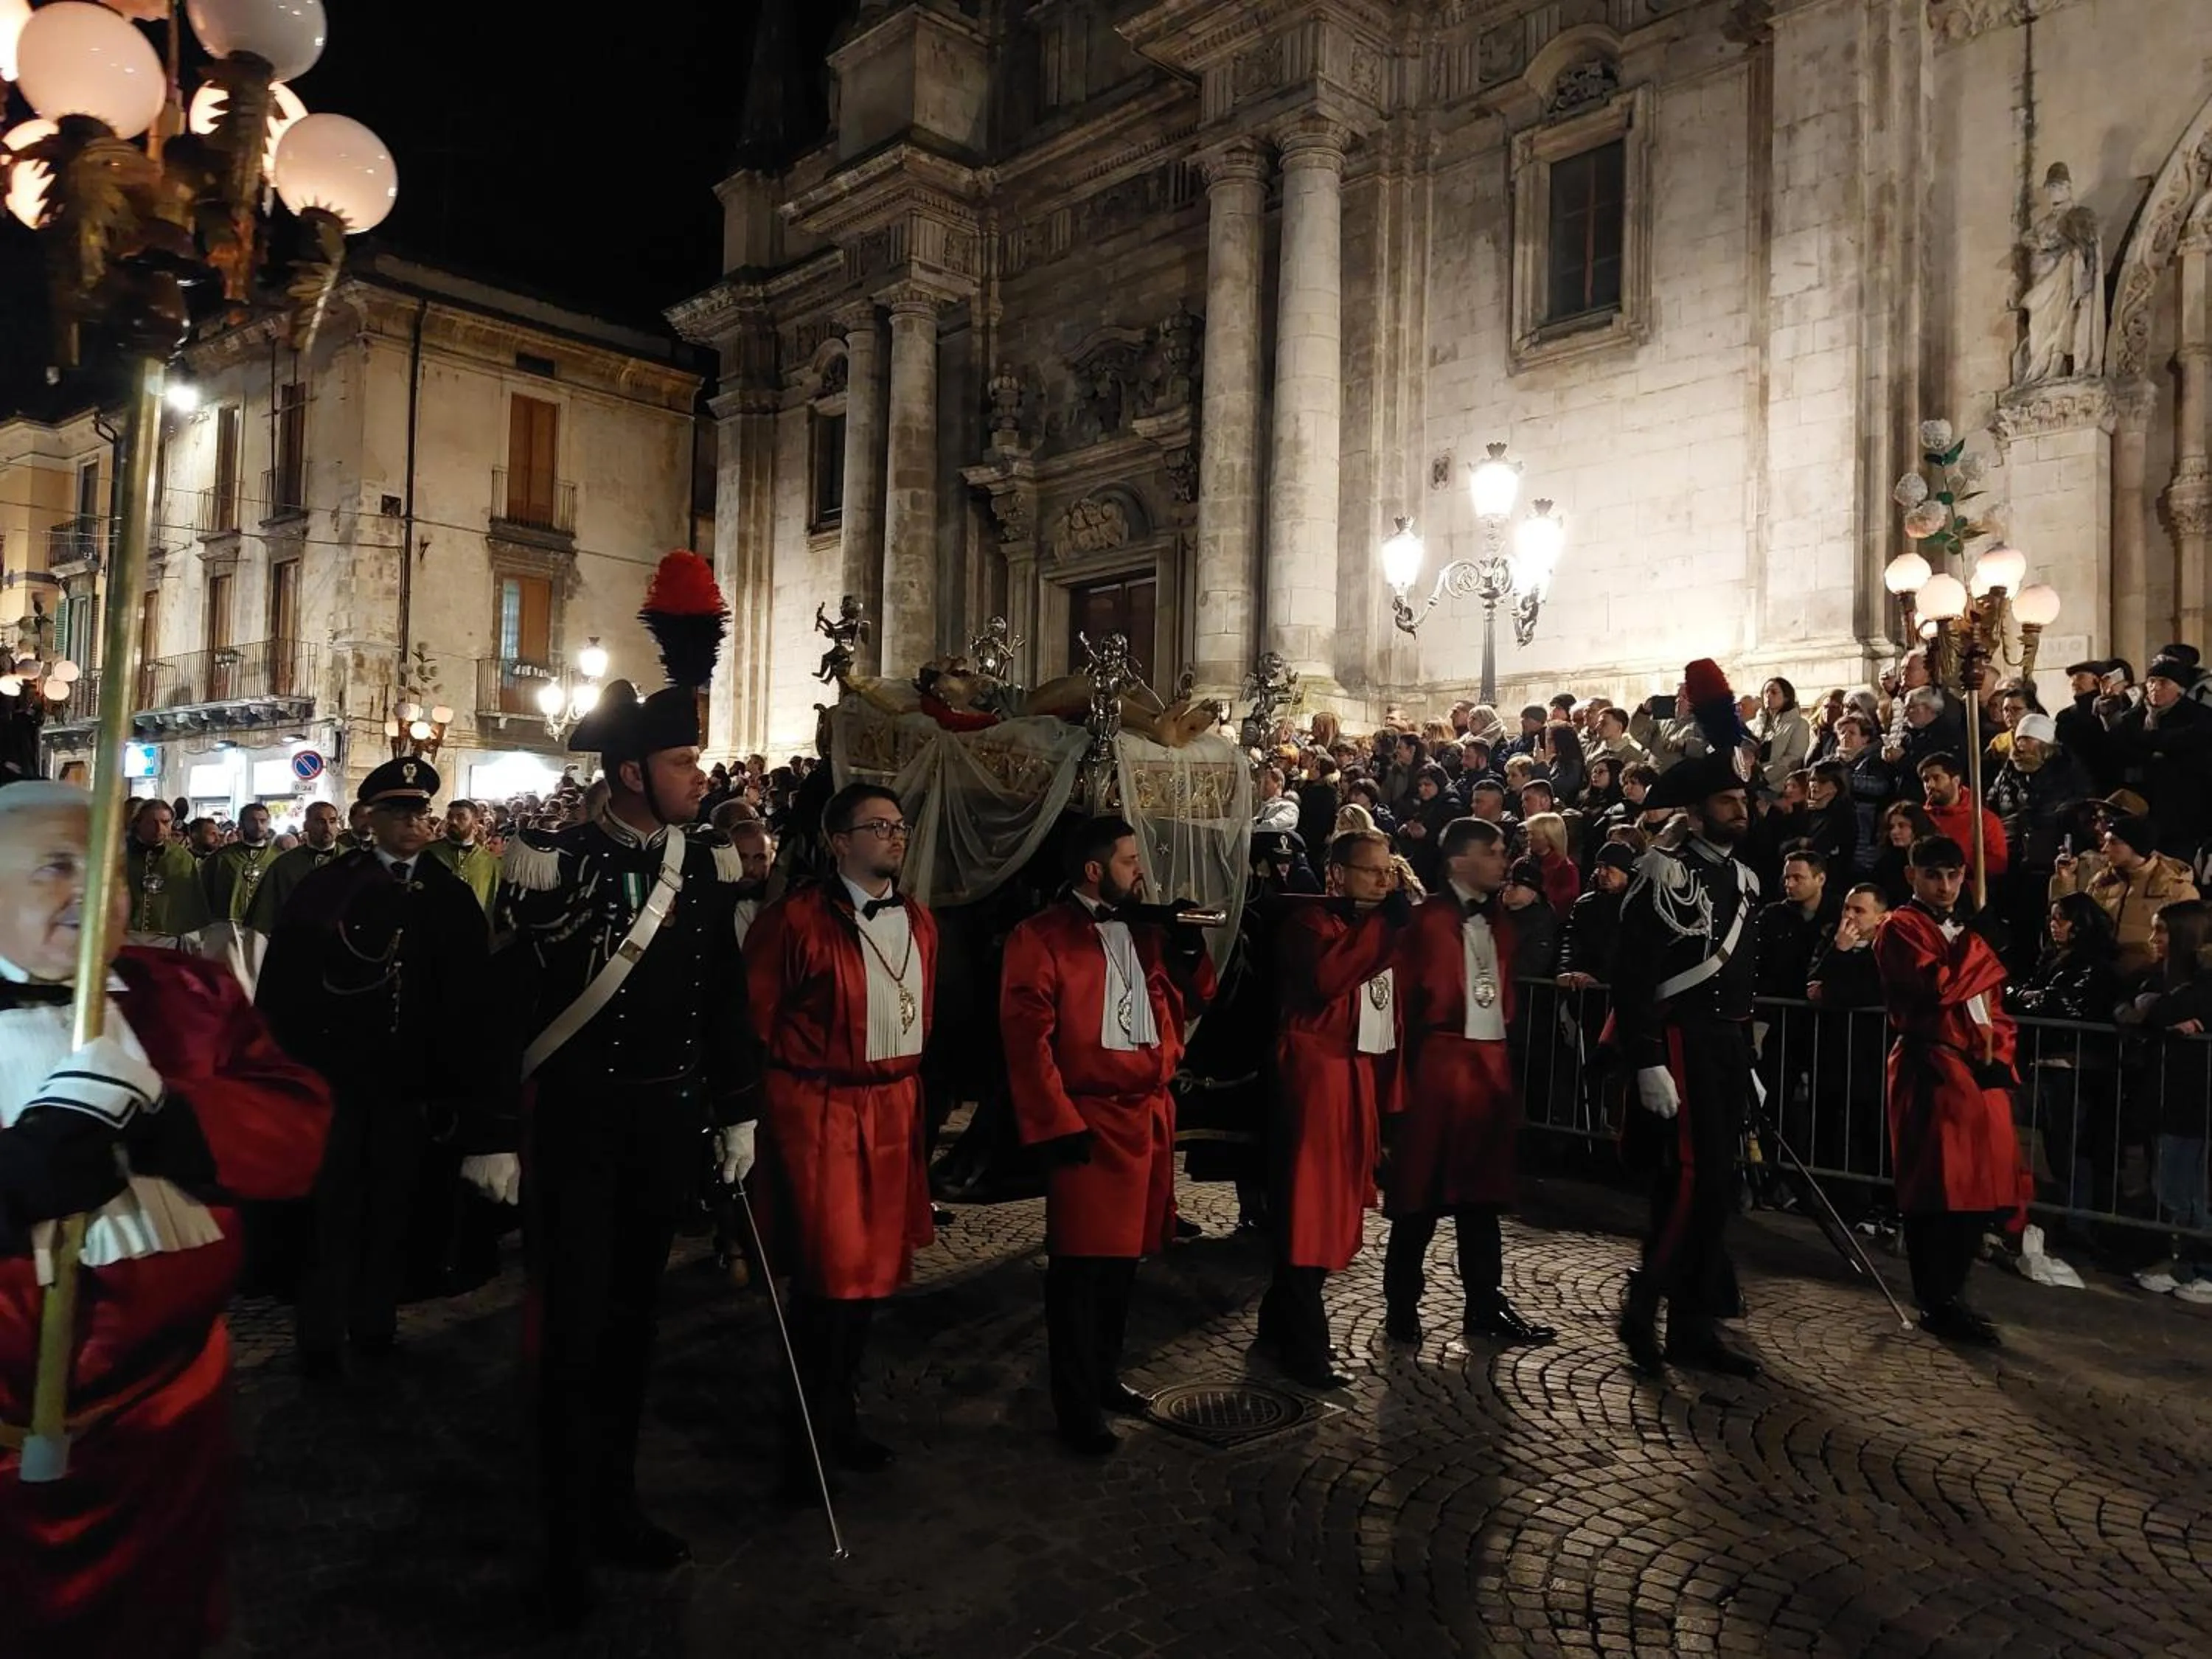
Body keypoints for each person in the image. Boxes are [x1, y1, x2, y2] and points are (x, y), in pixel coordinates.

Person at [476, 552, 759, 1621]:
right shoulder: (550, 862)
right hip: (578, 1125)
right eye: (685, 759)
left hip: (661, 1124)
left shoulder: (701, 867)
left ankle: (616, 1501)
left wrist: (736, 1111)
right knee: (571, 1331)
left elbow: (724, 1000)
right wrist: (493, 1131)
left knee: (637, 1323)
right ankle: (558, 1532)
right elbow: (503, 1013)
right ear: (632, 770)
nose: (701, 775)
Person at [0, 781, 332, 1658]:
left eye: (105, 871)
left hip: (171, 1426)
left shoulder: (183, 993)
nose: (90, 893)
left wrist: (173, 1123)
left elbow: (297, 1121)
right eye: (55, 868)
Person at [256, 759, 494, 1382]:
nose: (414, 824)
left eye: (421, 813)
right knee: (331, 1209)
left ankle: (375, 1322)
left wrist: (459, 1082)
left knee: (395, 1206)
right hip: (336, 1078)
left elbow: (472, 999)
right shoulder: (330, 888)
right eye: (399, 814)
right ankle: (319, 1333)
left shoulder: (449, 894)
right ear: (373, 820)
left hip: (410, 1085)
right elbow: (287, 985)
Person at [1001, 815, 1215, 1455]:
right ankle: (1074, 1403)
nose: (1140, 871)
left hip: (1145, 1113)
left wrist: (1185, 948)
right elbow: (1025, 1037)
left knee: (1125, 1261)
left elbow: (1197, 998)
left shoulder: (1145, 931)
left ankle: (1104, 1373)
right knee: (1080, 1267)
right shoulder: (1040, 938)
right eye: (1128, 861)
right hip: (1088, 1116)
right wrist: (1054, 1122)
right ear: (1094, 870)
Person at [748, 782, 934, 1486]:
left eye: (899, 824)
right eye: (878, 825)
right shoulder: (794, 922)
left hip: (892, 1112)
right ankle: (804, 1440)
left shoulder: (919, 922)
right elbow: (756, 1023)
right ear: (838, 842)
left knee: (871, 1284)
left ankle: (842, 1418)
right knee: (826, 1284)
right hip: (820, 1112)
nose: (895, 835)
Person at [1612, 659, 1764, 1378]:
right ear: (1699, 811)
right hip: (1679, 1043)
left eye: (1744, 799)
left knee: (1716, 1188)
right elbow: (1636, 970)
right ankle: (1645, 1309)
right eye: (1729, 802)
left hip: (1724, 1044)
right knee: (1690, 1185)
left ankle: (1694, 1326)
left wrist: (1751, 1066)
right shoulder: (1665, 872)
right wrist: (1645, 1056)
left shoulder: (1740, 879)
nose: (1743, 809)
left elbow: (1740, 979)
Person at [1381, 817, 1557, 1349]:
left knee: (1482, 1198)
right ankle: (1401, 1304)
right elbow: (1402, 1007)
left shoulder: (1501, 923)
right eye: (1495, 851)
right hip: (1437, 1071)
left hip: (1487, 1070)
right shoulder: (1424, 923)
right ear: (1461, 860)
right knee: (1420, 1197)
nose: (1505, 860)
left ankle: (1485, 1303)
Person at [1257, 829, 1415, 1387]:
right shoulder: (1309, 926)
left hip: (1352, 1077)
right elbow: (1329, 979)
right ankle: (1305, 1345)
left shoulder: (1368, 929)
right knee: (1309, 1207)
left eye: (1388, 871)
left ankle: (1277, 1325)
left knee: (1332, 1202)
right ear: (1336, 875)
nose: (1383, 880)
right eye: (1371, 871)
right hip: (1314, 1076)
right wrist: (1383, 928)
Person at [1874, 835, 2023, 1345]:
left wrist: (2001, 1054)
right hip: (1931, 1063)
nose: (1945, 886)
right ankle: (1936, 1298)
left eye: (1954, 875)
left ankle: (1952, 1293)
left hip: (1977, 1067)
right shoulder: (1899, 927)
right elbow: (1940, 988)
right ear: (1913, 875)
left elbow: (1992, 1004)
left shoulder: (1963, 926)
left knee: (1980, 1190)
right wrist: (1977, 944)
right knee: (1941, 1189)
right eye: (1934, 875)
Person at [245, 799, 347, 932]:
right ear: (306, 825)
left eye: (332, 821)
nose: (327, 827)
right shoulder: (285, 864)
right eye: (320, 822)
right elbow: (266, 911)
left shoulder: (351, 859)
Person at [124, 798, 211, 945]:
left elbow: (193, 899)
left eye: (165, 823)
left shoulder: (182, 858)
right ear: (138, 823)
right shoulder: (120, 852)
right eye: (152, 822)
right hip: (126, 932)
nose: (159, 829)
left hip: (167, 935)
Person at [1918, 752, 2008, 879]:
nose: (1930, 785)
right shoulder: (1920, 818)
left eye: (1936, 778)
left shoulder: (1984, 820)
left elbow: (1998, 864)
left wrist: (1955, 863)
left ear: (1956, 780)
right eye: (1926, 780)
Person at [198, 801, 278, 923]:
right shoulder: (221, 857)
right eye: (252, 821)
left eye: (263, 821)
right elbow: (203, 893)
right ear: (241, 824)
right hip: (226, 925)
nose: (258, 826)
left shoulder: (277, 858)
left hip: (264, 925)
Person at [422, 796, 500, 915]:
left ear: (475, 824)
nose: (453, 821)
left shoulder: (490, 862)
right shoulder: (426, 852)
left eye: (461, 817)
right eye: (449, 817)